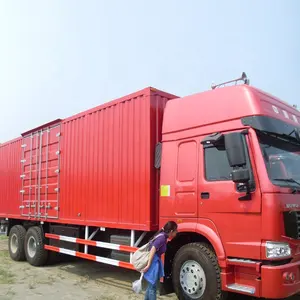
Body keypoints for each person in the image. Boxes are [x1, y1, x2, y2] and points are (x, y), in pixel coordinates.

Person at [142, 221, 178, 300]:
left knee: (151, 285)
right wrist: (149, 265)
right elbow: (153, 250)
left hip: (154, 261)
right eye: (176, 231)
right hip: (153, 262)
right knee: (152, 287)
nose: (177, 232)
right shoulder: (162, 238)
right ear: (171, 231)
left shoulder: (162, 236)